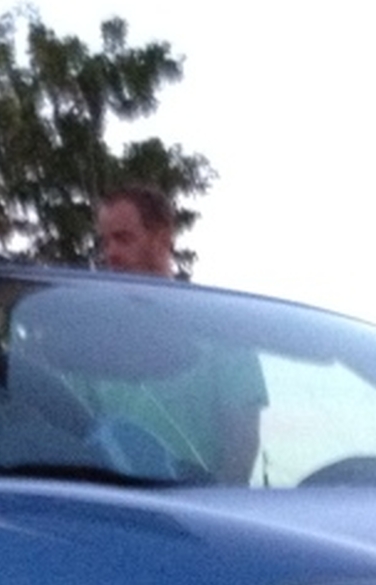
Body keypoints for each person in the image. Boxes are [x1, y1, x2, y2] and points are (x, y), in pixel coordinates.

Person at [88, 185, 266, 483]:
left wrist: (218, 510)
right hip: (106, 507)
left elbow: (243, 440)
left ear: (162, 239)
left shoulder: (221, 326)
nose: (111, 254)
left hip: (196, 506)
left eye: (123, 239)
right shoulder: (92, 337)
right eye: (105, 242)